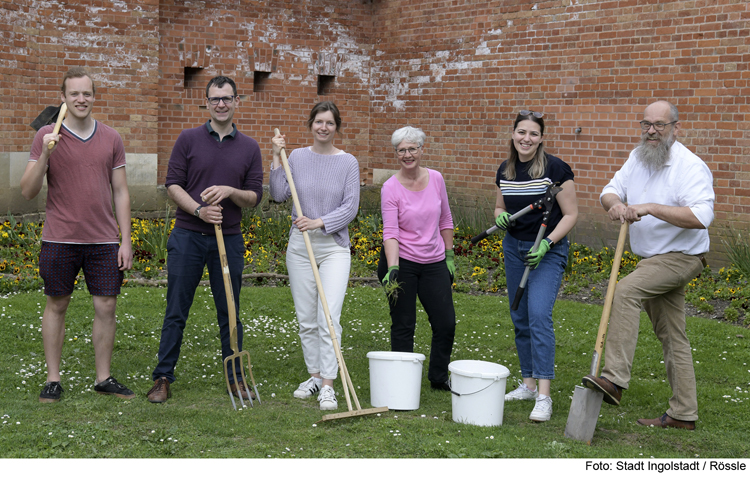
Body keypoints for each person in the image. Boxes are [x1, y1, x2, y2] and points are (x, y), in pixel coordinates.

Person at [583, 101, 714, 430]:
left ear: (675, 128)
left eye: (660, 124)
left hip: (682, 257)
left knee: (625, 291)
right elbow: (610, 191)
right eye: (646, 124)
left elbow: (701, 217)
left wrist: (651, 208)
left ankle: (613, 378)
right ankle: (684, 413)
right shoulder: (638, 158)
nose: (652, 130)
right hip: (651, 258)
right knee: (672, 336)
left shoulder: (690, 166)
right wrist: (614, 205)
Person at [20, 67, 135, 403]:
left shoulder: (111, 137)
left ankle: (103, 377)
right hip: (60, 238)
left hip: (102, 240)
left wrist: (125, 240)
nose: (81, 99)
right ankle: (53, 379)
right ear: (64, 99)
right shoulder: (46, 134)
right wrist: (45, 154)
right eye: (74, 94)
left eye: (87, 93)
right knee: (57, 304)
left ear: (94, 97)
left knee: (106, 306)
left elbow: (122, 191)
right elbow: (28, 191)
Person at [146, 76, 263, 403]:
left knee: (230, 309)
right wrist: (199, 210)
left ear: (236, 101)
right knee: (176, 309)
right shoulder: (188, 139)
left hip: (229, 240)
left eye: (227, 98)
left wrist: (229, 191)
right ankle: (163, 376)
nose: (221, 104)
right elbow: (173, 184)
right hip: (188, 237)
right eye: (215, 99)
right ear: (207, 103)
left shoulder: (249, 147)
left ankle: (235, 377)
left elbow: (254, 196)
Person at [270, 102, 360, 411]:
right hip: (300, 246)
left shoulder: (348, 162)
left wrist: (319, 222)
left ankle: (328, 386)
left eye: (329, 123)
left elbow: (350, 208)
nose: (323, 127)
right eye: (319, 122)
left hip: (333, 245)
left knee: (328, 318)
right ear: (311, 124)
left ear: (337, 127)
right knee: (306, 318)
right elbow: (280, 194)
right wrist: (275, 157)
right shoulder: (296, 157)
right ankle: (313, 376)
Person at [495, 110, 578, 422]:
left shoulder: (555, 169)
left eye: (532, 133)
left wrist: (547, 244)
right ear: (513, 134)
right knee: (520, 316)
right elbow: (500, 205)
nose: (526, 138)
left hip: (547, 250)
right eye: (521, 132)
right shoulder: (506, 169)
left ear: (541, 138)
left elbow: (570, 214)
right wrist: (498, 217)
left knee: (539, 316)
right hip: (514, 249)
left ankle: (543, 395)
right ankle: (528, 384)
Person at [376, 126, 457, 391]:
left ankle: (438, 376)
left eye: (412, 149)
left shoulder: (436, 179)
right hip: (402, 261)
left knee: (445, 322)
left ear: (422, 150)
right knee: (403, 323)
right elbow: (390, 231)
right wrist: (393, 266)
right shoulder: (390, 188)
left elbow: (445, 218)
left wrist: (449, 255)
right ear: (395, 153)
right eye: (402, 150)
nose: (407, 155)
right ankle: (401, 380)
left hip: (434, 261)